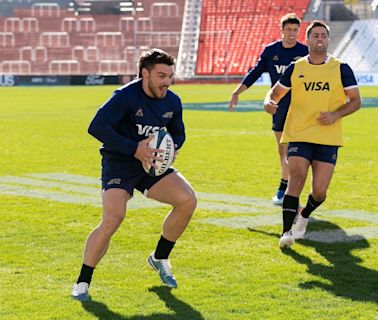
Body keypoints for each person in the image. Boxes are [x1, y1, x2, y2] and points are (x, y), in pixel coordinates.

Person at [72, 48, 197, 301]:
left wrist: (172, 149)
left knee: (187, 200)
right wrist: (134, 148)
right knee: (113, 218)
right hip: (120, 162)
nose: (166, 82)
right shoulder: (125, 96)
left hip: (151, 163)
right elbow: (96, 127)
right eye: (161, 75)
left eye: (170, 76)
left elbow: (179, 133)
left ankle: (159, 257)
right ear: (144, 74)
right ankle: (82, 282)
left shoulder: (172, 101)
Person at [263, 20, 361, 248]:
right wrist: (268, 102)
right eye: (315, 35)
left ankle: (304, 214)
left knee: (319, 192)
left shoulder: (341, 68)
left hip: (328, 137)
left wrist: (336, 115)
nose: (319, 38)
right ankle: (286, 232)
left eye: (323, 35)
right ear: (307, 40)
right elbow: (275, 93)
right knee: (296, 177)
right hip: (298, 133)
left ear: (328, 40)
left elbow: (356, 102)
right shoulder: (296, 68)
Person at [229, 13, 308, 206]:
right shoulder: (270, 51)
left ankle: (290, 189)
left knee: (298, 152)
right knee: (283, 150)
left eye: (295, 30)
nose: (292, 33)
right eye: (288, 30)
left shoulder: (305, 52)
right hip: (279, 106)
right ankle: (284, 188)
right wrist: (237, 92)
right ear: (281, 30)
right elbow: (255, 72)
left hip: (301, 108)